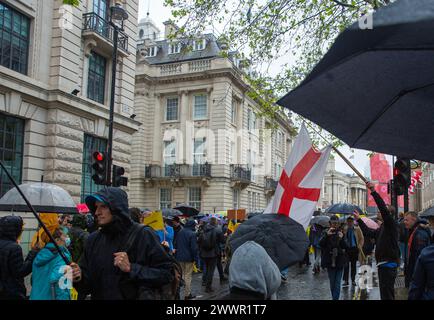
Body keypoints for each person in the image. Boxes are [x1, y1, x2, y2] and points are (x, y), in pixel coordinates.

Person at [71, 187, 174, 300]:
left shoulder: (143, 235)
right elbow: (88, 286)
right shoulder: (93, 240)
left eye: (103, 207)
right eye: (96, 207)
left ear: (116, 208)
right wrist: (78, 277)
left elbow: (166, 274)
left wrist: (131, 268)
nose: (97, 212)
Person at [354, 181, 400, 300]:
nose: (379, 212)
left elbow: (383, 209)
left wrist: (373, 192)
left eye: (381, 212)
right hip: (382, 265)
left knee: (388, 294)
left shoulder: (391, 224)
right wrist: (359, 220)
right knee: (385, 294)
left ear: (388, 214)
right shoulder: (382, 227)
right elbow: (369, 233)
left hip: (388, 264)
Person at [0, 215, 39, 300]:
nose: (22, 230)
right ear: (15, 229)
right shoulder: (14, 248)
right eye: (20, 228)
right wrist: (33, 253)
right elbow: (20, 272)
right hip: (11, 292)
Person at [30, 228, 72, 300]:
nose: (67, 238)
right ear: (57, 240)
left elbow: (33, 279)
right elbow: (61, 284)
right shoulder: (63, 257)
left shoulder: (39, 255)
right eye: (64, 236)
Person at [320, 215, 348, 300]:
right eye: (333, 223)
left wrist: (342, 238)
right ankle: (334, 297)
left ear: (339, 224)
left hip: (339, 261)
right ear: (330, 223)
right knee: (332, 283)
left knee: (337, 283)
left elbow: (346, 246)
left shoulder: (342, 233)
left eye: (336, 223)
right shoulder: (326, 232)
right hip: (329, 261)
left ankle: (335, 298)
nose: (335, 225)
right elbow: (320, 244)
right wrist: (327, 235)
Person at [403, 211, 432, 288]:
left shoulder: (419, 233)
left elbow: (420, 257)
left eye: (406, 220)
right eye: (404, 220)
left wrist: (416, 277)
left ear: (414, 219)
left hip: (417, 275)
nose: (404, 222)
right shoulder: (413, 230)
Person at [198, 217, 225, 293]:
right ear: (216, 222)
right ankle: (208, 287)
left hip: (204, 253)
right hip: (213, 253)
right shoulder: (218, 230)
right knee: (211, 270)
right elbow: (223, 241)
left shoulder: (204, 229)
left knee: (206, 268)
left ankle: (205, 282)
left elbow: (199, 241)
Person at [174, 219, 199, 300]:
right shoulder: (192, 234)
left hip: (179, 257)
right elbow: (194, 248)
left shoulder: (180, 232)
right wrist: (196, 258)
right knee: (187, 276)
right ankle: (187, 294)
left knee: (181, 275)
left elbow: (176, 244)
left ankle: (178, 292)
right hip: (189, 258)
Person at [343, 216, 364, 287]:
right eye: (348, 221)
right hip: (347, 249)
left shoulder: (357, 229)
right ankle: (346, 280)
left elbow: (361, 238)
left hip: (354, 249)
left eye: (351, 221)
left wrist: (360, 246)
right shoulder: (344, 229)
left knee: (353, 265)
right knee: (346, 265)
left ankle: (353, 280)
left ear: (353, 222)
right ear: (347, 222)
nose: (350, 223)